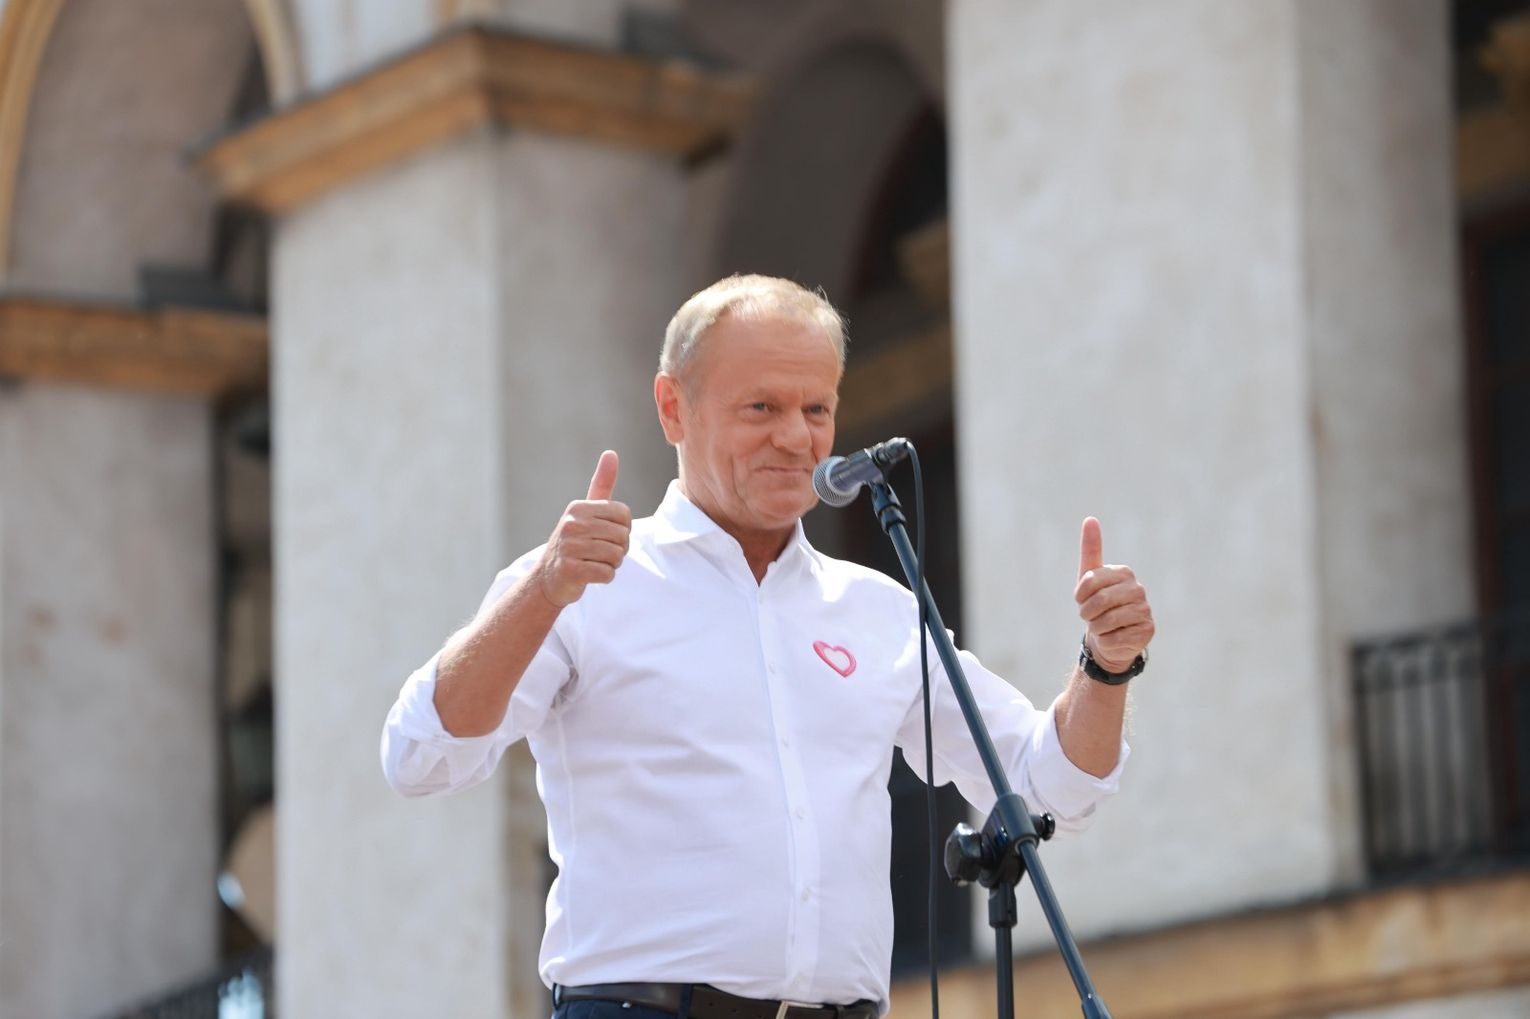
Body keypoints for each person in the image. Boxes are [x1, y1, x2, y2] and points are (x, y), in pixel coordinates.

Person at [381, 274, 1155, 1019]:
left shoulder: (878, 611)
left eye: (817, 408)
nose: (795, 437)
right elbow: (420, 757)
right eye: (762, 406)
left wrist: (1106, 664)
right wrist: (542, 592)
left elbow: (1051, 788)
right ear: (673, 407)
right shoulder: (585, 582)